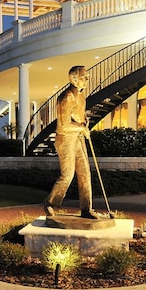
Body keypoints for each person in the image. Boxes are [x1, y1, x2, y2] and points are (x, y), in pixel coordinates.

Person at [44, 65, 99, 219]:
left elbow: (79, 115)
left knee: (84, 173)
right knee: (67, 175)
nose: (87, 79)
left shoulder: (81, 95)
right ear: (74, 79)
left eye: (87, 76)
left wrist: (84, 121)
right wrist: (81, 128)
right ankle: (50, 204)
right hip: (66, 140)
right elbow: (63, 126)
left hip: (78, 139)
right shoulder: (67, 97)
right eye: (84, 77)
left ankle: (86, 208)